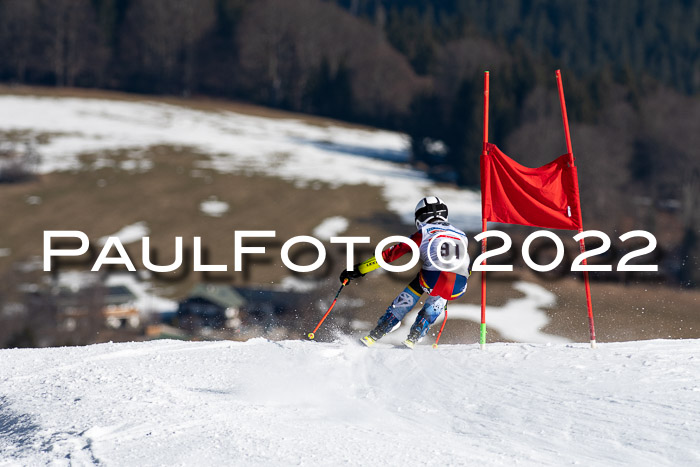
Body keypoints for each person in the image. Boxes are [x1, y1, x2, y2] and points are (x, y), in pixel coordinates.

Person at [340, 196, 471, 348]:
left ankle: (386, 324)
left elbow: (390, 255)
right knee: (442, 286)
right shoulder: (462, 234)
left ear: (420, 217)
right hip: (459, 286)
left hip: (432, 279)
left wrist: (359, 269)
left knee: (423, 279)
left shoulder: (424, 232)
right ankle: (419, 330)